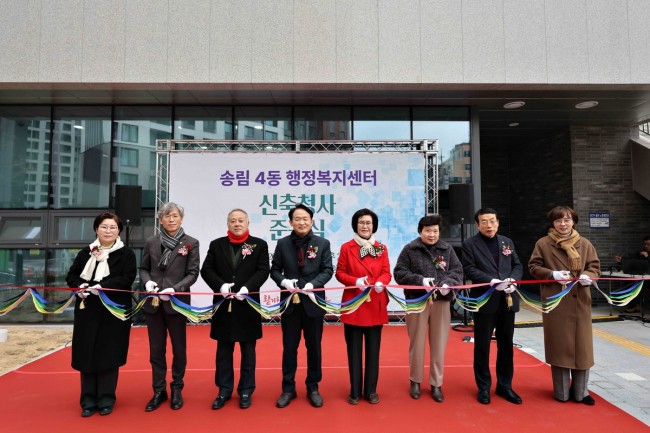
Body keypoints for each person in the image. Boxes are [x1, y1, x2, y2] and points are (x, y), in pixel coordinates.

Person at [65, 212, 136, 417]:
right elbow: (71, 275)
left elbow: (127, 278)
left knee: (109, 353)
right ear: (96, 229)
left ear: (119, 231)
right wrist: (80, 286)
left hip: (113, 311)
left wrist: (102, 287)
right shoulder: (86, 253)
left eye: (113, 227)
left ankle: (106, 398)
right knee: (87, 352)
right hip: (88, 310)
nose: (108, 231)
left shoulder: (126, 254)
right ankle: (87, 400)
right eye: (104, 227)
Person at [529, 206, 601, 405]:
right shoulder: (543, 243)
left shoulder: (584, 243)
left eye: (567, 220)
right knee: (559, 346)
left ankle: (581, 392)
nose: (563, 224)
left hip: (580, 301)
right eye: (558, 220)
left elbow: (594, 266)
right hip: (556, 301)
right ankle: (561, 392)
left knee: (582, 348)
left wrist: (588, 276)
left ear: (573, 222)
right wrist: (552, 274)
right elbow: (533, 267)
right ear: (553, 223)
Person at [201, 209, 270, 410]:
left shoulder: (259, 245)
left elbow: (263, 270)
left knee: (248, 351)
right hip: (223, 306)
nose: (237, 224)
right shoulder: (217, 245)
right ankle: (224, 389)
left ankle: (246, 390)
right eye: (233, 221)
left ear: (248, 223)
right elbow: (206, 270)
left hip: (248, 305)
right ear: (228, 224)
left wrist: (248, 288)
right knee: (223, 351)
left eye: (241, 220)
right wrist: (220, 286)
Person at [394, 214, 463, 403]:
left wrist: (448, 283)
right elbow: (399, 273)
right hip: (417, 301)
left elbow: (457, 272)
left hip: (441, 302)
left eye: (435, 231)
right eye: (427, 231)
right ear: (420, 231)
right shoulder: (410, 249)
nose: (431, 234)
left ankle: (436, 383)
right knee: (416, 343)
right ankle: (415, 380)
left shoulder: (447, 249)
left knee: (439, 343)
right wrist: (420, 281)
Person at [270, 203, 333, 408]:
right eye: (297, 219)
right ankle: (288, 389)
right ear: (290, 222)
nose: (301, 222)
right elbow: (274, 270)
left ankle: (313, 387)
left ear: (312, 221)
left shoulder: (322, 243)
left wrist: (313, 284)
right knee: (289, 348)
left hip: (313, 303)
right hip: (290, 304)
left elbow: (327, 270)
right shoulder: (282, 244)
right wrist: (284, 282)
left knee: (314, 347)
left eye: (305, 219)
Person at [140, 202, 200, 412]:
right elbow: (144, 268)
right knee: (156, 350)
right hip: (153, 303)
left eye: (174, 216)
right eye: (167, 216)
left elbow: (193, 273)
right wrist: (147, 282)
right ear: (160, 219)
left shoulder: (191, 243)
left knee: (179, 349)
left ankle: (177, 388)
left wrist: (175, 289)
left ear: (181, 219)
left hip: (177, 304)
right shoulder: (151, 241)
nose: (171, 219)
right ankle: (158, 390)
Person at [461, 208, 523, 405]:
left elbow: (517, 265)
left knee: (506, 345)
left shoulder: (507, 242)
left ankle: (505, 385)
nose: (489, 225)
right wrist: (491, 281)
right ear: (477, 225)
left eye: (492, 221)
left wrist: (513, 279)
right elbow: (469, 269)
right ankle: (483, 387)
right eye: (484, 222)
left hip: (507, 300)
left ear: (498, 222)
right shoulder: (470, 244)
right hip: (484, 301)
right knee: (482, 346)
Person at [335, 209, 392, 405]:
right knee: (354, 351)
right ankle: (354, 391)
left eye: (368, 223)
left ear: (373, 226)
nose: (365, 226)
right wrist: (354, 281)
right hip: (354, 304)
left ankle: (371, 390)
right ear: (355, 225)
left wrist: (382, 282)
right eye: (361, 222)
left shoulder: (381, 248)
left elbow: (387, 272)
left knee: (373, 351)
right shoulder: (346, 247)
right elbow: (339, 273)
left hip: (375, 302)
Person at [614, 235, 650, 313]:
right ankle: (635, 305)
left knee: (635, 285)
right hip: (643, 279)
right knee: (629, 283)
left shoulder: (646, 254)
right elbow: (632, 262)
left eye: (648, 244)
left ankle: (636, 306)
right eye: (645, 244)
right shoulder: (641, 253)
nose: (646, 246)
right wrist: (621, 261)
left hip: (648, 281)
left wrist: (647, 257)